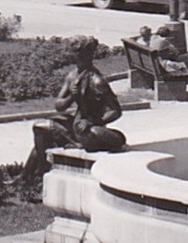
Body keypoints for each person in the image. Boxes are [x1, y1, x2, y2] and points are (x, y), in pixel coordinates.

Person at [19, 37, 126, 187]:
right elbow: (59, 106)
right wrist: (71, 97)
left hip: (87, 131)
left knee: (42, 129)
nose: (76, 57)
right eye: (74, 53)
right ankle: (28, 176)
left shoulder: (97, 81)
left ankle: (40, 175)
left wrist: (93, 122)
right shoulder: (72, 76)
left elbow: (116, 110)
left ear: (88, 55)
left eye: (79, 54)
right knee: (41, 130)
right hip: (76, 125)